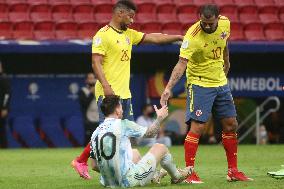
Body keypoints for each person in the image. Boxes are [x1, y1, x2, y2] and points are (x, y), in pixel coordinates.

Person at [71, 0, 183, 179]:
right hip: (109, 95)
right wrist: (107, 87)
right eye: (130, 16)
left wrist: (177, 37)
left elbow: (154, 38)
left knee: (127, 139)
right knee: (108, 137)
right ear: (120, 13)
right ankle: (83, 161)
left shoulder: (129, 34)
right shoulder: (103, 35)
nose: (132, 21)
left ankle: (133, 171)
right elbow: (95, 62)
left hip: (125, 95)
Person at [160, 4, 252, 183]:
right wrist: (168, 88)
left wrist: (226, 60)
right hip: (199, 83)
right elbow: (181, 64)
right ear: (199, 18)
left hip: (220, 82)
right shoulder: (192, 36)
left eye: (210, 23)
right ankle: (189, 173)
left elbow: (223, 42)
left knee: (231, 124)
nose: (207, 26)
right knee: (198, 127)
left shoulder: (226, 23)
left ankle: (233, 171)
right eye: (204, 23)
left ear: (218, 18)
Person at [89, 95, 192, 187]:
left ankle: (154, 175)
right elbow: (151, 134)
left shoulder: (95, 132)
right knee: (160, 147)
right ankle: (177, 176)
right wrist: (159, 118)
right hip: (127, 181)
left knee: (135, 153)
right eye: (120, 106)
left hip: (107, 183)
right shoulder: (123, 124)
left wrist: (111, 175)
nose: (122, 110)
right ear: (117, 110)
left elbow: (94, 165)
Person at [79, 73, 99, 145]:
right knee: (89, 138)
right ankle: (86, 155)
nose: (92, 80)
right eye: (90, 78)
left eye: (93, 78)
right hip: (88, 118)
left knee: (98, 138)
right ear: (86, 80)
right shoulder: (83, 91)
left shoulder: (99, 90)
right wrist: (91, 93)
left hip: (98, 117)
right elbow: (84, 104)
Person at [0, 62, 11, 148]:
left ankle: (3, 148)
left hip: (1, 109)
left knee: (1, 129)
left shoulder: (4, 78)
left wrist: (4, 107)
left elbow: (7, 94)